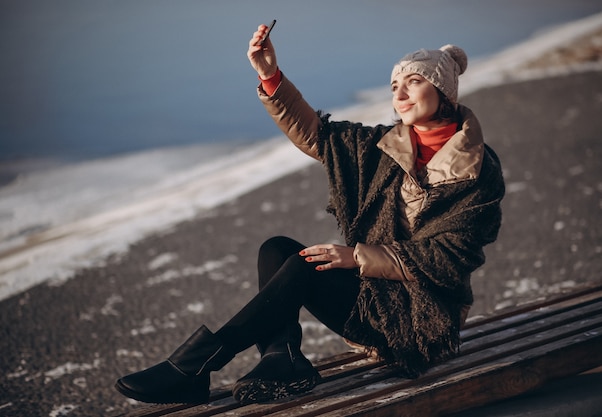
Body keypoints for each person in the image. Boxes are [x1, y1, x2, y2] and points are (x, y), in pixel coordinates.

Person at [115, 23, 505, 406]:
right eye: (393, 86)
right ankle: (280, 358)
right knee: (278, 248)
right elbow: (319, 135)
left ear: (443, 91)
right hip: (374, 297)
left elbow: (451, 259)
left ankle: (196, 365)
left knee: (304, 266)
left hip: (422, 323)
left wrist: (356, 257)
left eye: (413, 82)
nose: (400, 95)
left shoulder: (476, 170)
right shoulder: (383, 147)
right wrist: (271, 76)